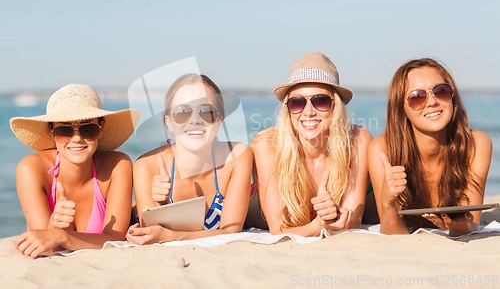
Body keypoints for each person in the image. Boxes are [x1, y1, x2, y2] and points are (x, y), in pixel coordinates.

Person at [10, 84, 140, 258]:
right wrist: (52, 226)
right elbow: (43, 244)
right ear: (51, 131)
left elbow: (115, 239)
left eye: (87, 128)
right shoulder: (31, 170)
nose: (77, 138)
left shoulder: (118, 165)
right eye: (64, 129)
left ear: (101, 128)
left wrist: (62, 236)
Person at [367, 58, 492, 236]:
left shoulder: (476, 144)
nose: (432, 101)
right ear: (401, 109)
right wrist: (387, 203)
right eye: (417, 97)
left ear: (452, 97)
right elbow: (392, 234)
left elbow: (471, 226)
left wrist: (456, 225)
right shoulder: (382, 149)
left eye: (441, 91)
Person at [252, 52, 371, 237]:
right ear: (288, 110)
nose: (308, 112)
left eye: (320, 101)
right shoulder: (267, 145)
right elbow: (278, 230)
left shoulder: (357, 140)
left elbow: (353, 222)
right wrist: (319, 225)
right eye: (297, 102)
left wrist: (336, 217)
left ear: (335, 106)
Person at [127, 73, 252, 244]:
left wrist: (172, 236)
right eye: (183, 112)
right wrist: (159, 205)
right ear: (169, 122)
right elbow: (152, 234)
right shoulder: (147, 166)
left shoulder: (237, 156)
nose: (195, 120)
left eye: (206, 112)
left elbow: (231, 231)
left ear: (220, 120)